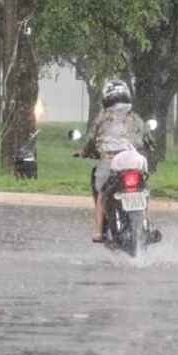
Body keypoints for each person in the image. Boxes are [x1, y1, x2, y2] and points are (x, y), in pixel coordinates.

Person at [76, 79, 151, 242]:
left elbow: (91, 140)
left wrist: (84, 152)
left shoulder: (102, 118)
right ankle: (147, 224)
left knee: (102, 193)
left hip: (110, 163)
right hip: (134, 161)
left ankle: (98, 230)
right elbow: (147, 136)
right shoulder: (135, 118)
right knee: (144, 189)